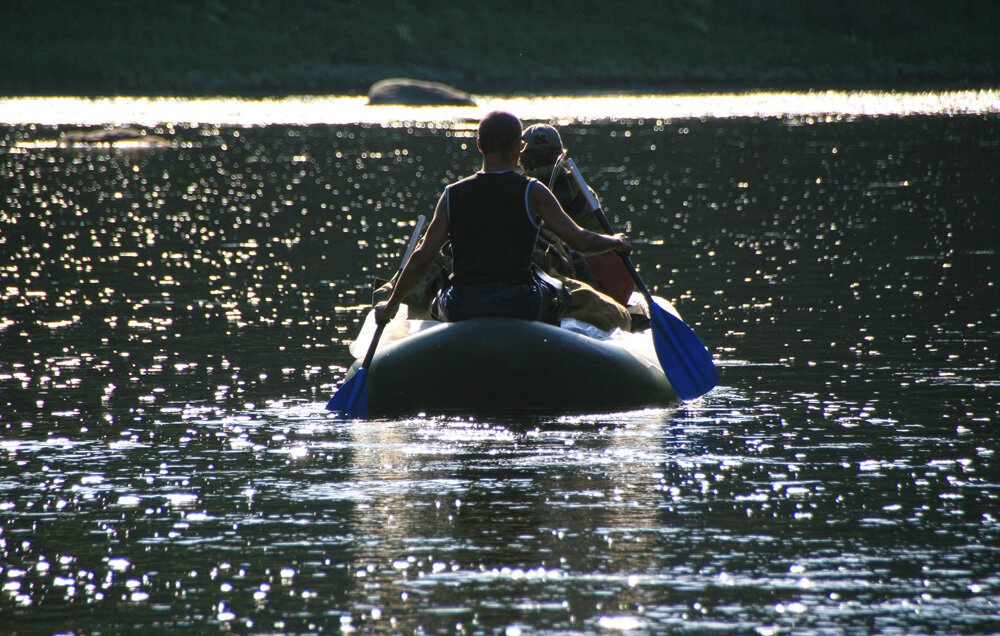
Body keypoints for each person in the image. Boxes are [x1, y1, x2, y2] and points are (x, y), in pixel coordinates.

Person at [374, 111, 630, 328]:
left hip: (463, 306)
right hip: (519, 303)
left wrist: (392, 304)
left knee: (440, 294)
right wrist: (615, 242)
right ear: (519, 147)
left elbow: (423, 257)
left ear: (479, 145)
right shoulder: (534, 192)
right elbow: (581, 241)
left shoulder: (452, 194)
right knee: (563, 295)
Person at [519, 123, 637, 330]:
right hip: (571, 277)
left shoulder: (516, 188)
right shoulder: (581, 191)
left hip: (528, 276)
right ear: (561, 156)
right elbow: (599, 242)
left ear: (523, 159)